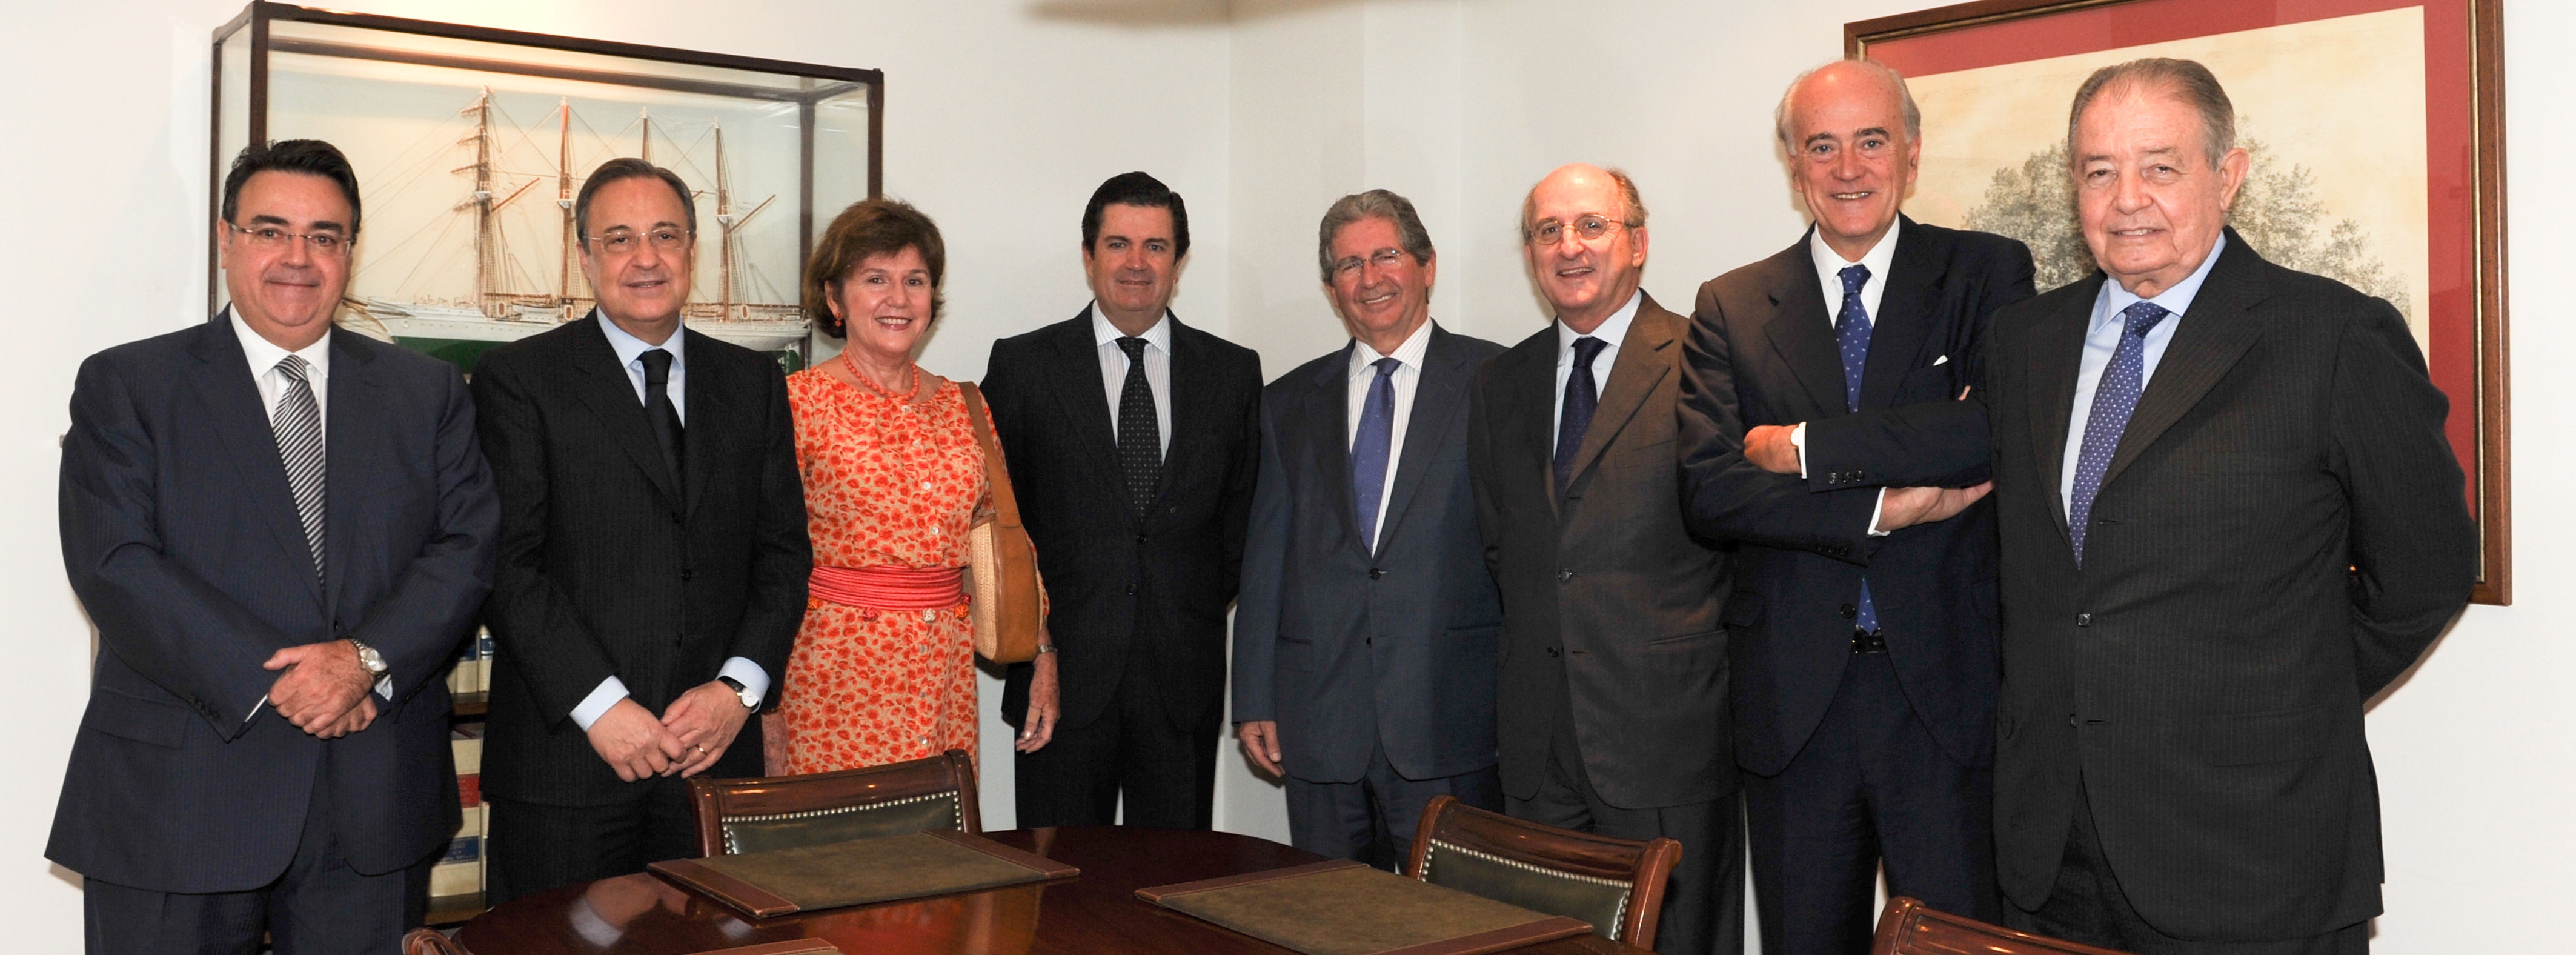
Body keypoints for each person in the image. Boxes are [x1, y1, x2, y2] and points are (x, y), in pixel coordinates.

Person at [1981, 58, 2475, 954]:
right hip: (2050, 851)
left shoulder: (2332, 338)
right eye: (2099, 170)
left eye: (2160, 167)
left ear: (2229, 175)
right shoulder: (2024, 341)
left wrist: (2282, 690)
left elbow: (2428, 572)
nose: (2127, 198)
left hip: (2253, 851)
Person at [51, 139, 499, 953]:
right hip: (179, 796)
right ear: (227, 241)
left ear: (350, 255)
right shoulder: (128, 385)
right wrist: (294, 680)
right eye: (270, 231)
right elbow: (116, 563)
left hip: (371, 794)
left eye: (325, 236)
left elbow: (467, 547)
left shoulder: (425, 393)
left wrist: (364, 660)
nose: (299, 258)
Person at [1676, 59, 2033, 954]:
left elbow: (1988, 435)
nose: (1848, 168)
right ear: (1793, 164)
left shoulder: (1985, 273)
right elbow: (1713, 491)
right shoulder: (1729, 305)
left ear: (1910, 156)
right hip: (1794, 707)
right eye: (1821, 146)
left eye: (1871, 141)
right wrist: (1884, 512)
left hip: (1945, 700)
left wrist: (1801, 449)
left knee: (1958, 944)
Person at [473, 157, 811, 902]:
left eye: (665, 235)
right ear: (586, 257)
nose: (646, 258)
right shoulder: (520, 380)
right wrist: (603, 706)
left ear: (694, 249)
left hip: (711, 761)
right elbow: (509, 566)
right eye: (620, 239)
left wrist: (737, 691)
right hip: (569, 759)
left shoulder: (752, 384)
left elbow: (783, 555)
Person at [1466, 164, 1742, 955]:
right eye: (1548, 231)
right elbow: (1505, 547)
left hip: (1666, 734)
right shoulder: (1499, 382)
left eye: (1591, 225)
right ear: (1530, 254)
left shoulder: (1704, 359)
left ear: (1639, 242)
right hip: (1537, 743)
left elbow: (1742, 548)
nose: (1569, 247)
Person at [1233, 190, 1507, 869]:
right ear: (1332, 289)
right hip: (1319, 719)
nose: (1370, 277)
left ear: (1426, 265)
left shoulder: (1497, 381)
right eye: (1349, 265)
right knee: (1331, 922)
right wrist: (1254, 696)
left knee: (1450, 930)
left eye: (1386, 255)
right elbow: (1265, 558)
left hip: (1450, 718)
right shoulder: (1287, 401)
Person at [982, 171, 1262, 830]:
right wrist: (1038, 644)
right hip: (1057, 680)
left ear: (1179, 260)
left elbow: (1240, 526)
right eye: (1117, 244)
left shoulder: (1232, 372)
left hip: (1181, 682)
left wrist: (1180, 599)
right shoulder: (1024, 367)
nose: (1137, 263)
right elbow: (995, 523)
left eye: (1156, 246)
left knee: (1171, 891)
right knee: (1057, 897)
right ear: (1088, 257)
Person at [772, 197, 1051, 774]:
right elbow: (759, 564)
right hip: (831, 677)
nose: (898, 299)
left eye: (915, 281)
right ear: (834, 298)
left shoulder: (965, 405)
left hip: (944, 679)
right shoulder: (795, 405)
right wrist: (765, 712)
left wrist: (1042, 651)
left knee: (937, 856)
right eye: (876, 279)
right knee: (837, 858)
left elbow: (1000, 545)